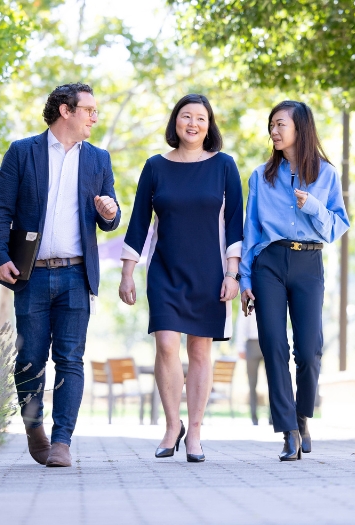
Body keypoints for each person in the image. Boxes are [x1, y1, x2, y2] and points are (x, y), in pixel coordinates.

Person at [0, 83, 120, 468]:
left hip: (78, 275)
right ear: (66, 111)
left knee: (71, 359)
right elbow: (0, 211)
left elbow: (109, 218)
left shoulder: (98, 159)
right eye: (89, 110)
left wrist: (110, 212)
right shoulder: (22, 152)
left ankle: (62, 441)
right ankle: (34, 428)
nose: (95, 117)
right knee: (29, 358)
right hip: (31, 275)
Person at [118, 94, 243, 463]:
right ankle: (173, 426)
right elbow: (139, 221)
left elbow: (235, 222)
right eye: (186, 116)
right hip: (165, 271)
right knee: (167, 345)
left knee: (200, 350)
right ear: (175, 122)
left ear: (209, 125)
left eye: (200, 118)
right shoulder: (156, 166)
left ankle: (196, 432)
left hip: (210, 272)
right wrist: (128, 273)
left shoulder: (224, 166)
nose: (192, 123)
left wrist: (233, 273)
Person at [240, 100, 350, 461]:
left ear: (300, 129)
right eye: (271, 125)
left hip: (308, 261)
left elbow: (337, 227)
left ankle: (302, 417)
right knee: (273, 345)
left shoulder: (326, 175)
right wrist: (244, 279)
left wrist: (314, 206)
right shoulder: (260, 176)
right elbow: (251, 229)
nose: (273, 131)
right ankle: (287, 430)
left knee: (309, 349)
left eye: (280, 125)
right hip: (268, 262)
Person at [234, 312, 270, 426]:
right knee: (252, 383)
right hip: (251, 343)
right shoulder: (248, 295)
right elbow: (241, 322)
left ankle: (273, 416)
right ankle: (254, 417)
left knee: (272, 382)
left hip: (268, 341)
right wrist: (240, 347)